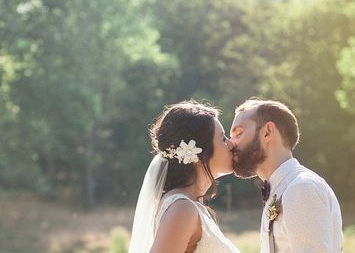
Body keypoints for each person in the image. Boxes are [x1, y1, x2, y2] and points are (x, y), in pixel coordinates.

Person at [230, 98, 343, 253]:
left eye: (238, 134)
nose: (231, 144)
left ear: (267, 132)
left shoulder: (301, 188)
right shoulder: (281, 189)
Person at [128, 100, 239, 253]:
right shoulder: (182, 209)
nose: (231, 144)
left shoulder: (191, 206)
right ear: (199, 153)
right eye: (223, 138)